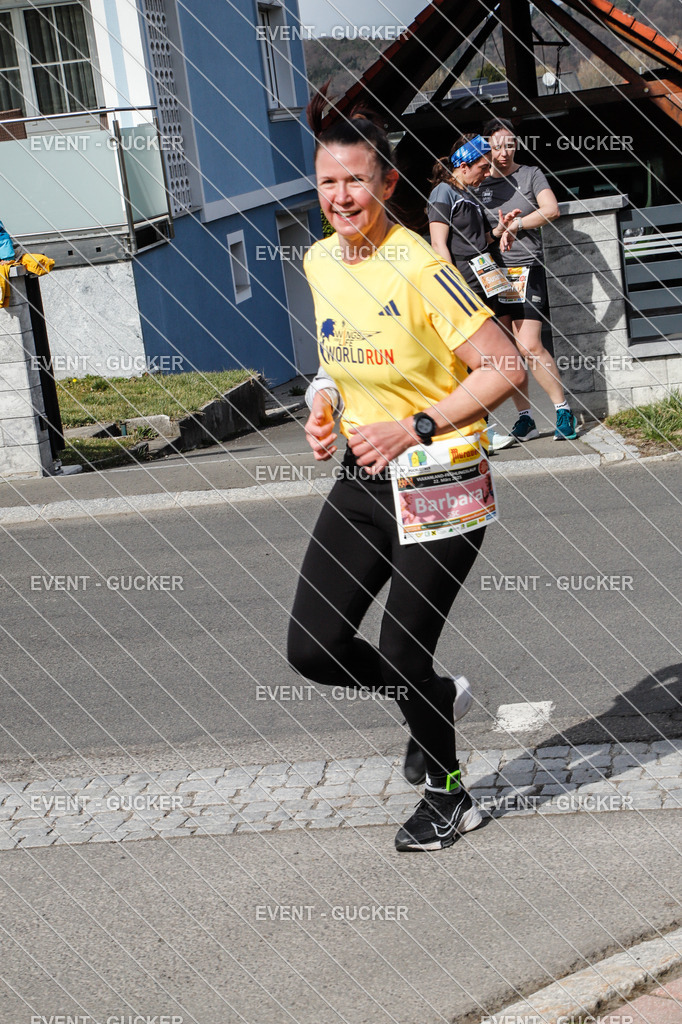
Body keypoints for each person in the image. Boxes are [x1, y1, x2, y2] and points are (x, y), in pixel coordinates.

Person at [287, 85, 526, 852]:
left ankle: (450, 794)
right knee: (314, 648)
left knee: (401, 649)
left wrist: (416, 424)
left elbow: (504, 366)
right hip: (364, 476)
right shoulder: (320, 259)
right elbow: (339, 359)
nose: (341, 196)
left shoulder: (423, 267)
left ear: (387, 184)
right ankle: (433, 700)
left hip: (442, 480)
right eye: (328, 181)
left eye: (356, 180)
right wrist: (323, 404)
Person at [474, 117, 578, 441]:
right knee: (506, 349)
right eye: (496, 146)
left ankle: (563, 412)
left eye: (509, 144)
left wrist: (516, 226)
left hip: (525, 266)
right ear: (486, 147)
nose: (504, 152)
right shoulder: (478, 184)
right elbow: (472, 233)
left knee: (529, 344)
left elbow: (551, 208)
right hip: (492, 273)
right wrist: (495, 232)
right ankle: (525, 419)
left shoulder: (530, 174)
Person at [427, 133, 521, 452]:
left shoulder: (468, 193)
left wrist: (499, 230)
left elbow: (478, 240)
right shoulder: (443, 192)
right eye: (482, 166)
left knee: (486, 359)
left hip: (482, 281)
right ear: (464, 166)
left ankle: (481, 428)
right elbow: (439, 243)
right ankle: (478, 429)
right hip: (462, 286)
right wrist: (450, 288)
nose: (486, 172)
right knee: (475, 361)